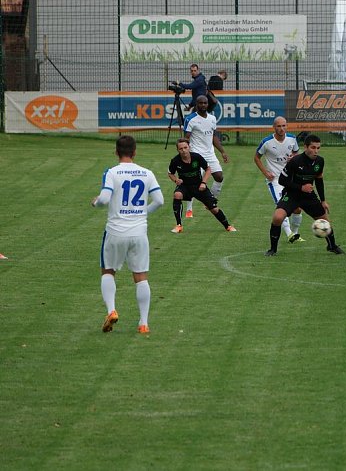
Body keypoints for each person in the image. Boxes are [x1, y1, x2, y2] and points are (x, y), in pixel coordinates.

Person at [91, 135, 164, 334]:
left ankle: (112, 310)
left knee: (108, 271)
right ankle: (143, 323)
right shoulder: (146, 173)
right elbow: (159, 200)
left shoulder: (112, 172)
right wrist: (141, 213)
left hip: (115, 232)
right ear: (135, 152)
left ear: (116, 152)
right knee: (141, 277)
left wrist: (95, 202)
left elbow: (104, 199)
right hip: (139, 233)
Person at [265, 134, 344, 256]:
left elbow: (319, 179)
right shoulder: (295, 161)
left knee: (325, 221)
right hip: (292, 195)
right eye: (313, 147)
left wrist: (323, 200)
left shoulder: (320, 161)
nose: (316, 151)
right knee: (278, 217)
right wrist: (301, 187)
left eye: (318, 148)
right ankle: (273, 250)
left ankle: (332, 246)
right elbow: (282, 180)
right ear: (305, 147)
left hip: (309, 197)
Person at [168, 138, 237, 234]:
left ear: (189, 147)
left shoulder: (197, 157)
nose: (183, 150)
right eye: (181, 149)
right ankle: (179, 225)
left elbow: (208, 169)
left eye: (185, 147)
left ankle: (228, 226)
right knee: (177, 195)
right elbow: (170, 173)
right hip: (185, 186)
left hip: (198, 185)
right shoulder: (175, 161)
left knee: (214, 209)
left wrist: (203, 183)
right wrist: (176, 180)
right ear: (177, 150)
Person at [255, 116, 304, 242]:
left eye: (284, 126)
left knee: (297, 208)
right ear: (274, 127)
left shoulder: (292, 139)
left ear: (286, 126)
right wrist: (266, 172)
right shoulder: (266, 142)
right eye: (279, 126)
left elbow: (296, 153)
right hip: (275, 180)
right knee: (282, 207)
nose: (282, 129)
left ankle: (295, 233)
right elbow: (256, 158)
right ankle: (289, 234)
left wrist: (293, 158)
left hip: (290, 179)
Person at [182, 95, 229, 218]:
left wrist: (222, 151)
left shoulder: (212, 119)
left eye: (205, 103)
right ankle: (189, 209)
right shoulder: (190, 119)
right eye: (201, 103)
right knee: (194, 182)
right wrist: (186, 153)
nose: (203, 105)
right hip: (196, 154)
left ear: (208, 104)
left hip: (210, 154)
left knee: (219, 177)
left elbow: (213, 137)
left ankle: (209, 201)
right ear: (197, 104)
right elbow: (186, 138)